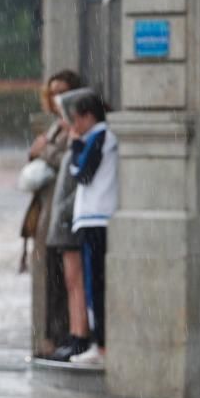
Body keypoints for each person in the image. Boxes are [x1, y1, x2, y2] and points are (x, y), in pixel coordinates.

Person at [38, 72, 93, 361]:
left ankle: (78, 337)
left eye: (63, 93)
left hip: (72, 215)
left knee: (75, 280)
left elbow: (75, 169)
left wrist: (45, 150)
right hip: (56, 212)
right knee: (65, 281)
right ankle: (68, 336)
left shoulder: (85, 134)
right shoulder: (59, 128)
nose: (56, 99)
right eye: (53, 92)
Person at [66, 91, 118, 366]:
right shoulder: (99, 136)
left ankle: (103, 346)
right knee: (93, 283)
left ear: (88, 116)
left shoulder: (100, 136)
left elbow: (82, 172)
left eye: (77, 119)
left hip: (97, 218)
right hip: (94, 218)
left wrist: (74, 146)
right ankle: (101, 344)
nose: (75, 125)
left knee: (95, 283)